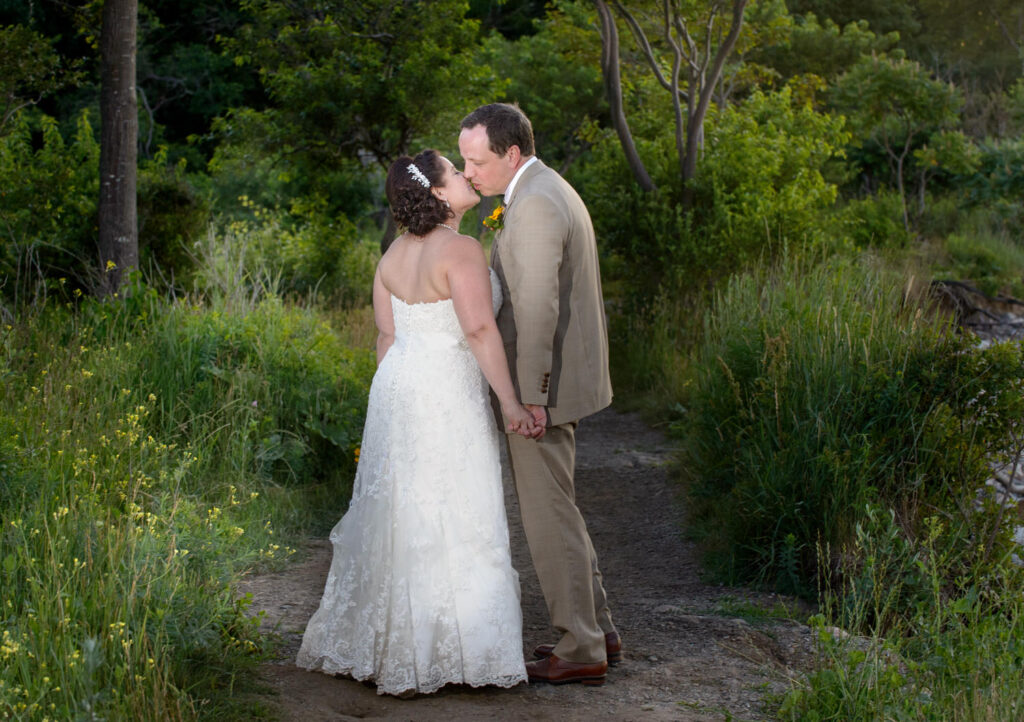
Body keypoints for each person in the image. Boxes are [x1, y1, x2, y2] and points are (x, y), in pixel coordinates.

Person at [295, 149, 541, 697]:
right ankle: (457, 651)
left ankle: (390, 646)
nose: (463, 174)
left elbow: (387, 338)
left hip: (398, 386)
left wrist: (392, 406)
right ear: (436, 192)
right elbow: (478, 330)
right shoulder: (460, 250)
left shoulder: (390, 256)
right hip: (443, 390)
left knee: (402, 509)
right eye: (454, 172)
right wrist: (511, 404)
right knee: (455, 506)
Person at [458, 103, 619, 687]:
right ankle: (598, 628)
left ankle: (580, 648)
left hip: (540, 390)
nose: (468, 172)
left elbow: (537, 308)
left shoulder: (536, 206)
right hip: (552, 382)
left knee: (548, 513)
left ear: (512, 154)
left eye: (476, 162)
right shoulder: (540, 189)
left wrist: (529, 399)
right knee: (561, 505)